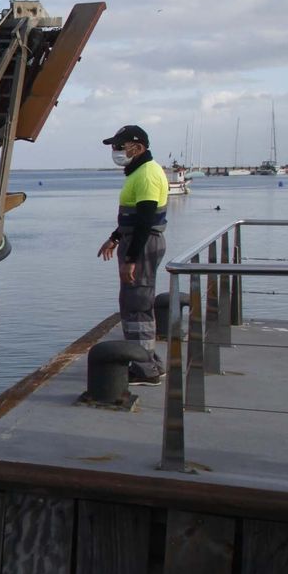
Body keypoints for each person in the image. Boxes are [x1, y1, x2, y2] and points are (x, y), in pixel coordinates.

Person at [96, 124, 169, 385]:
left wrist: (131, 260)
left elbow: (145, 220)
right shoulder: (138, 172)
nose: (116, 151)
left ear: (137, 147)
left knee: (137, 304)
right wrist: (115, 238)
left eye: (119, 146)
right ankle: (148, 362)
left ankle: (143, 369)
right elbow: (134, 217)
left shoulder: (148, 174)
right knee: (135, 303)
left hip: (143, 244)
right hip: (136, 241)